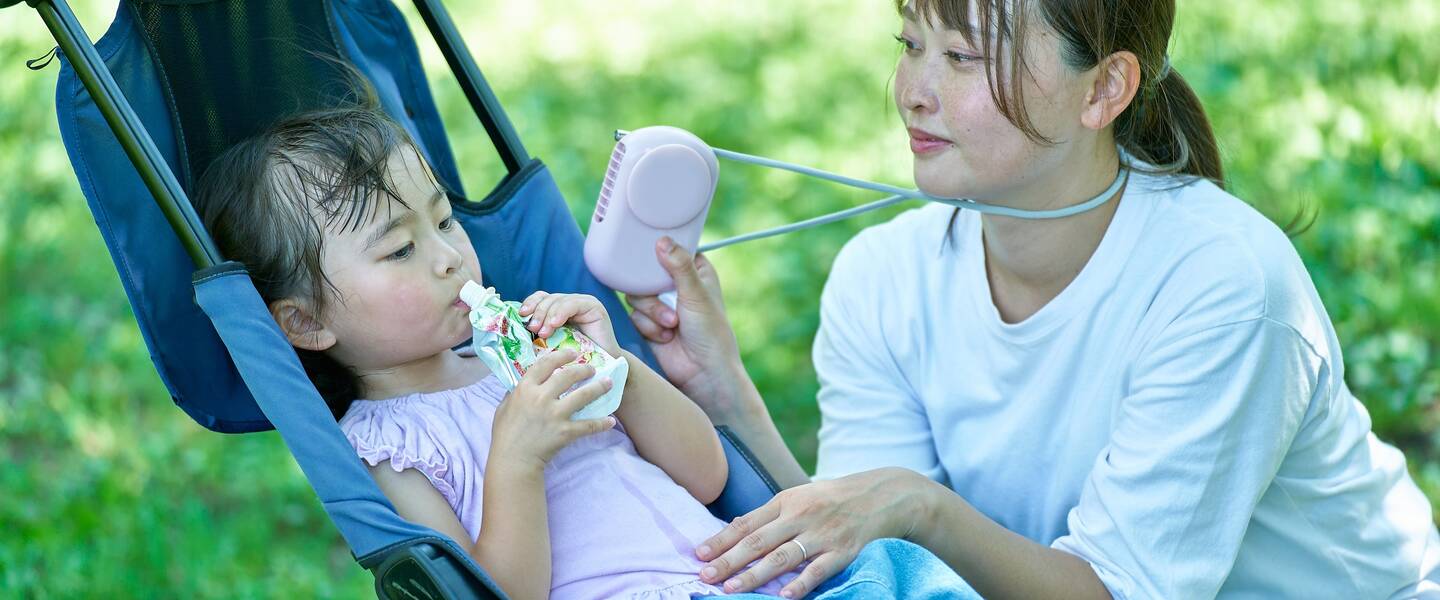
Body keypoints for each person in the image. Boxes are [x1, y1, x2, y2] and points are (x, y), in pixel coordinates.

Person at [624, 1, 1440, 598]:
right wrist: (726, 400)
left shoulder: (1222, 284)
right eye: (911, 43)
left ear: (1103, 90)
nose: (913, 89)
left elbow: (1111, 592)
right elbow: (879, 559)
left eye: (965, 56)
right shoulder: (883, 277)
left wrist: (920, 509)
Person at [191, 99, 978, 599]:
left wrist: (621, 375)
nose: (448, 257)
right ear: (303, 324)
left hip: (746, 576)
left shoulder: (523, 354)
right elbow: (498, 595)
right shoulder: (390, 449)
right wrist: (516, 457)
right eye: (399, 250)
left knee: (899, 580)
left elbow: (707, 476)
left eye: (445, 220)